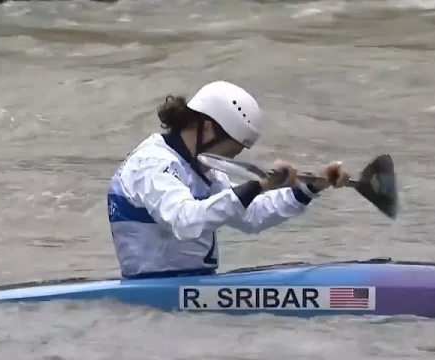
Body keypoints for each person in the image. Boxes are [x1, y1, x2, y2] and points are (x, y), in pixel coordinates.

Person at [107, 80, 349, 278]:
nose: (235, 156)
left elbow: (250, 216)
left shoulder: (202, 166)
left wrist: (311, 187)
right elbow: (185, 221)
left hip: (192, 285)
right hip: (155, 294)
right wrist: (260, 185)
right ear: (208, 129)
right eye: (233, 147)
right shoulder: (152, 164)